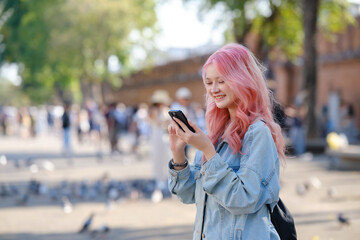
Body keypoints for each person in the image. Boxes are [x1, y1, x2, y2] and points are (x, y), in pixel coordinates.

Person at [168, 43, 285, 239]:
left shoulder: (258, 133)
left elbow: (244, 199)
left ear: (242, 80)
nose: (214, 89)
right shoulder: (215, 133)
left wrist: (209, 152)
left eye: (221, 81)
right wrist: (178, 154)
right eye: (209, 82)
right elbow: (190, 195)